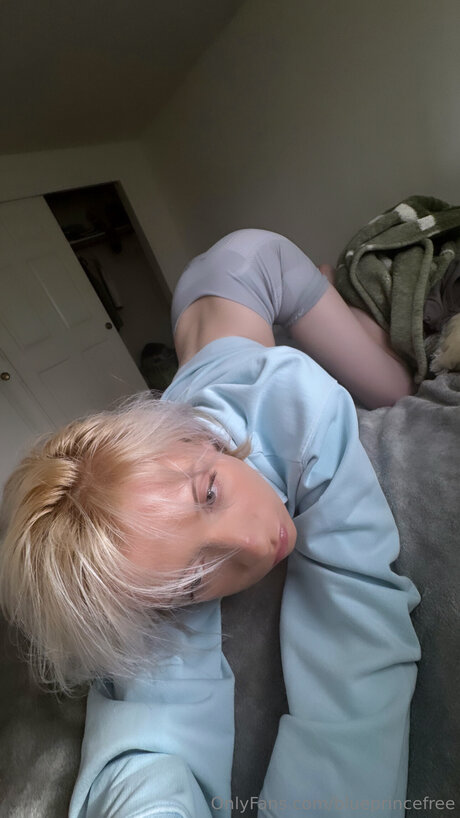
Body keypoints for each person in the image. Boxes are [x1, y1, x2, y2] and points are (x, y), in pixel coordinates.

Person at [0, 229, 420, 818]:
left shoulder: (297, 398)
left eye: (211, 493)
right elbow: (153, 706)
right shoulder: (149, 529)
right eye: (195, 578)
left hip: (256, 266)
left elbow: (356, 604)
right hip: (193, 327)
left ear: (201, 440)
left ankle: (325, 292)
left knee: (394, 384)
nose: (254, 545)